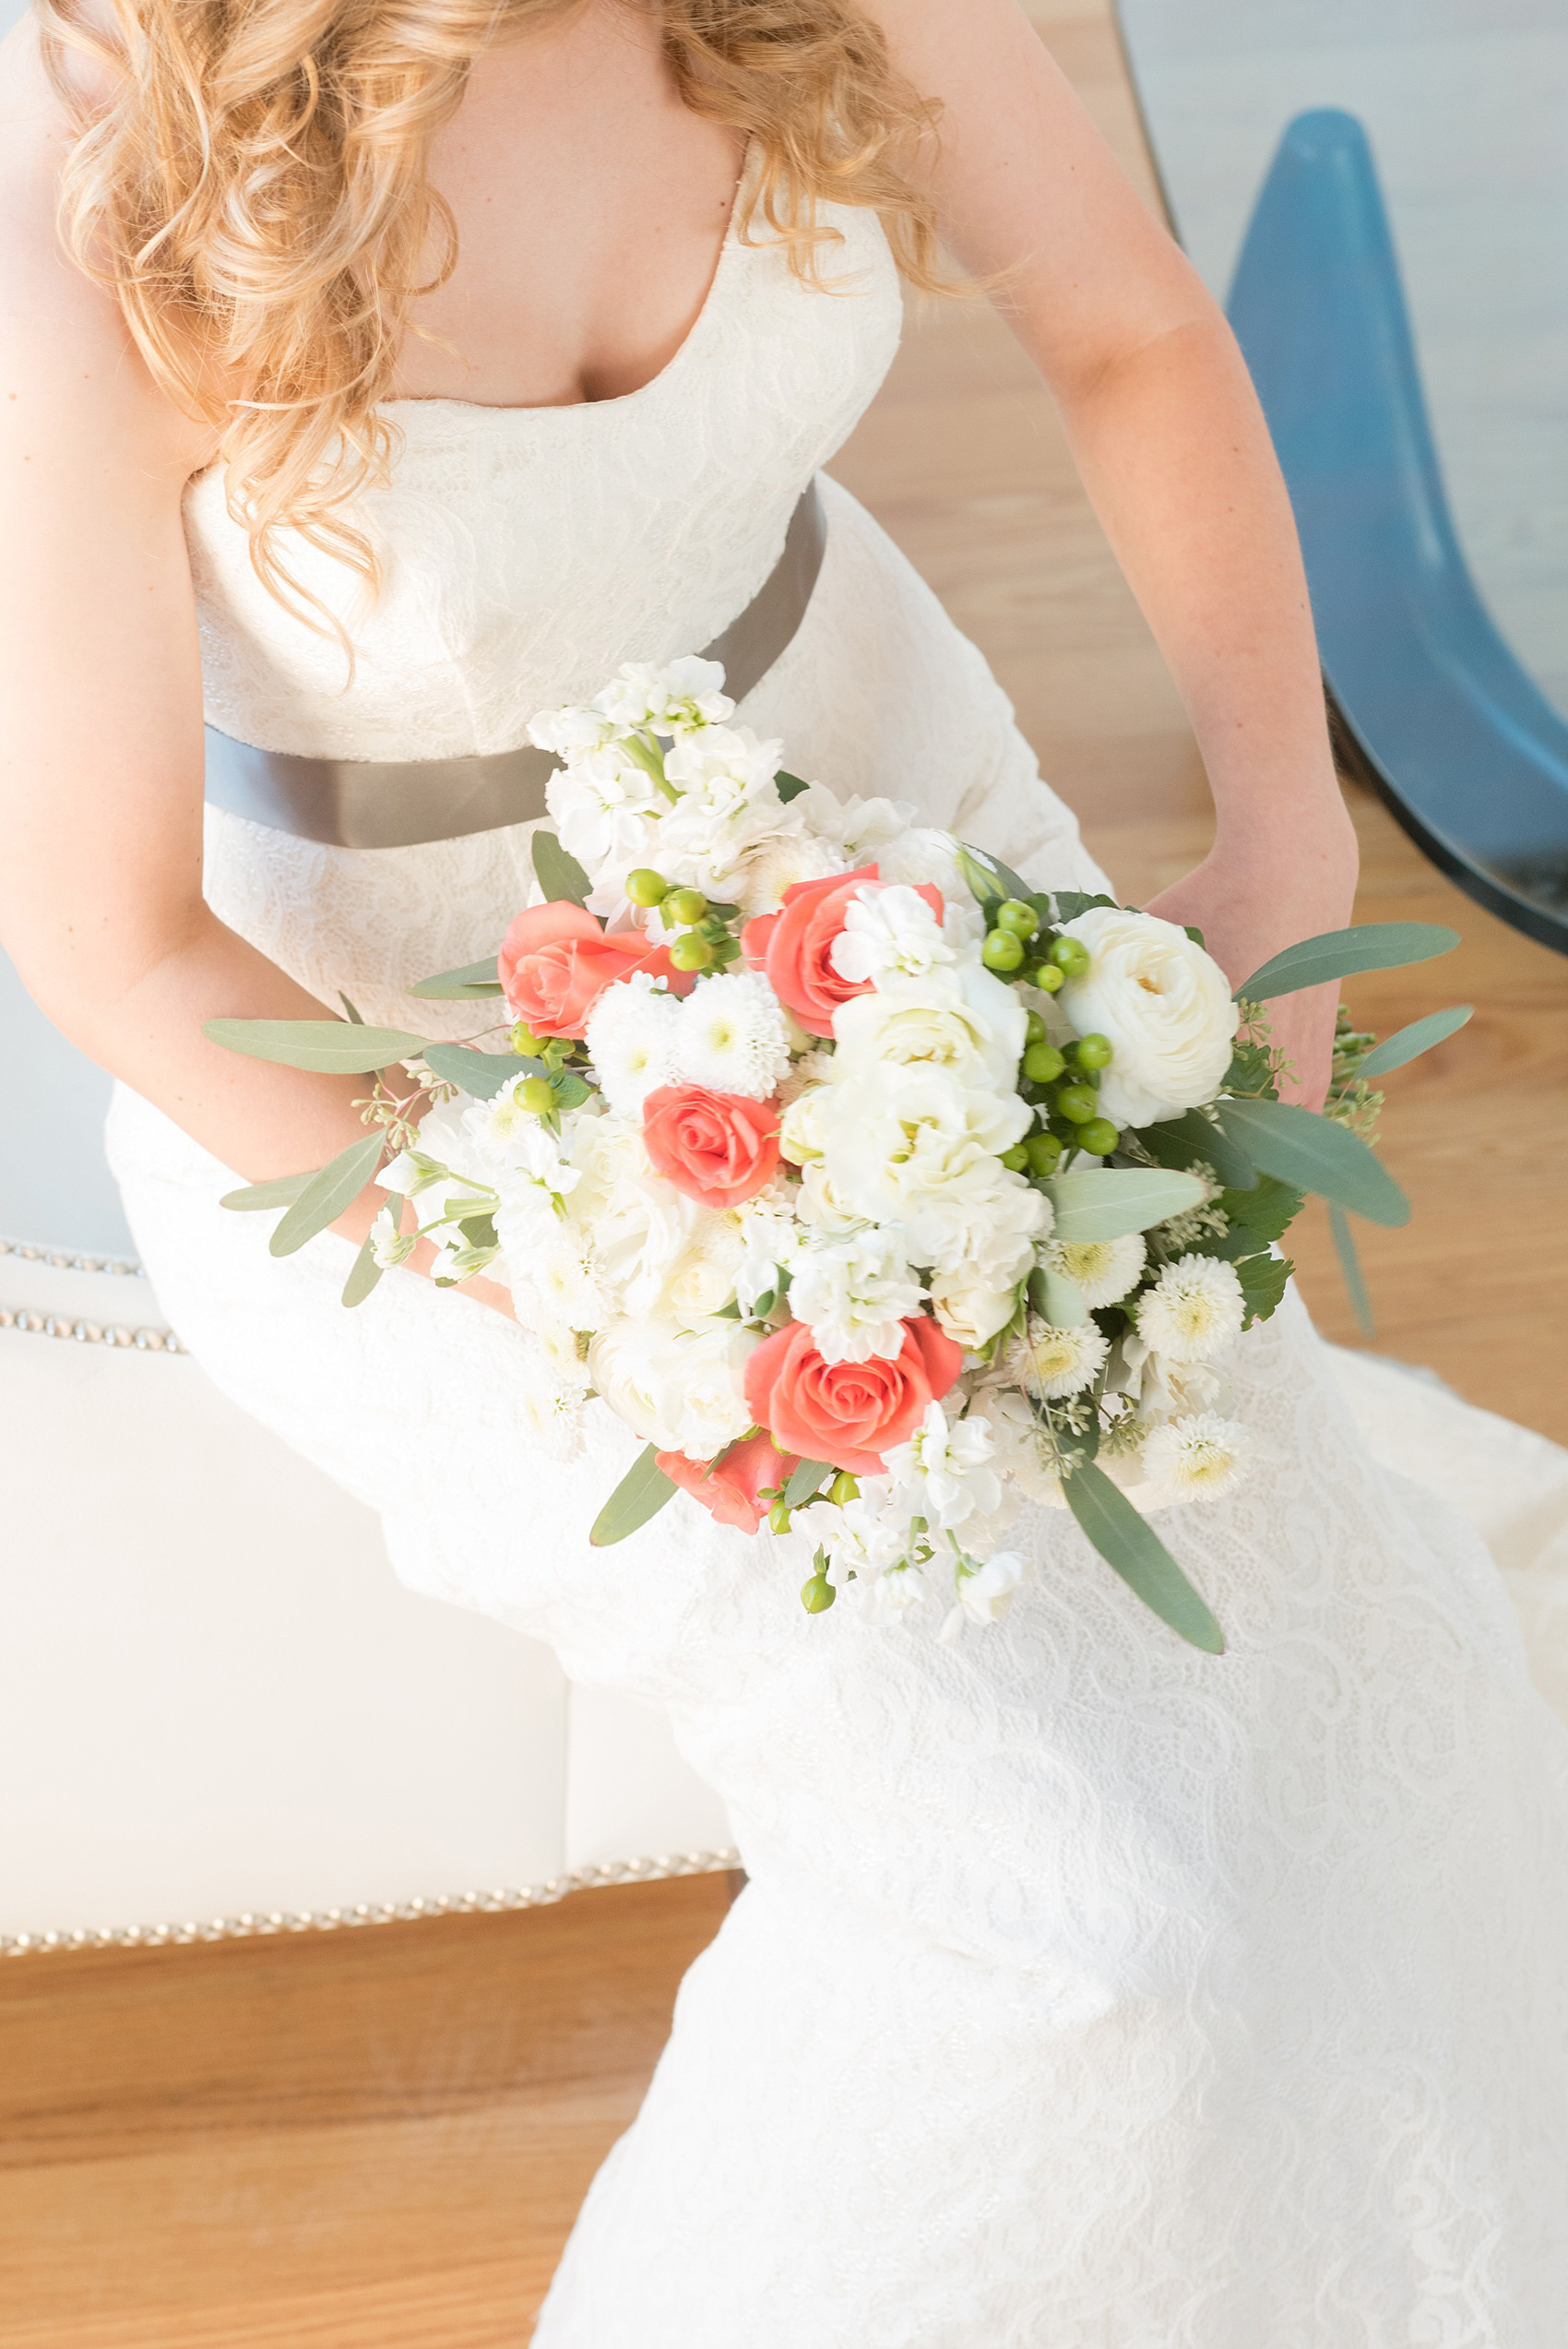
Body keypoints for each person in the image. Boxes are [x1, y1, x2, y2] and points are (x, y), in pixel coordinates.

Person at [1, 0, 1564, 2338]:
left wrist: (1274, 820)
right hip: (414, 1107)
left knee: (1393, 1678)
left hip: (900, 836)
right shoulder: (97, 146)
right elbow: (110, 938)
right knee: (1082, 1924)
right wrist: (617, 1263)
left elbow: (1129, 322)